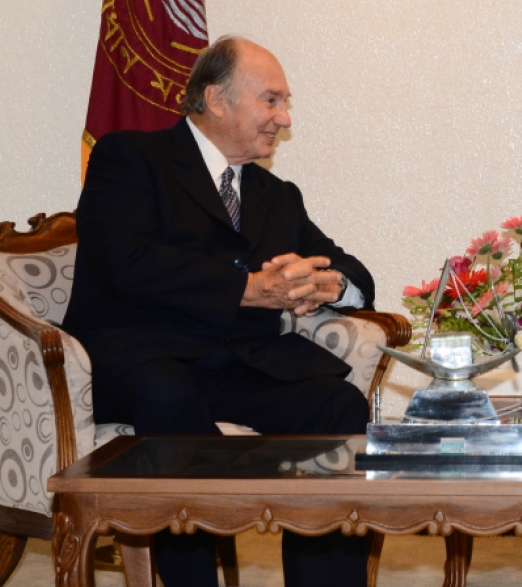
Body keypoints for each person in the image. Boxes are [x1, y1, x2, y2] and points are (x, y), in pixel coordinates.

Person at [63, 36, 375, 587]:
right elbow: (123, 261)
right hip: (142, 358)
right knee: (169, 394)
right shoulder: (130, 157)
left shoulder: (276, 195)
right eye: (271, 101)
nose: (283, 118)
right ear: (216, 98)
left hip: (237, 364)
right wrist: (247, 288)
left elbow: (355, 273)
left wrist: (328, 285)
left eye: (285, 103)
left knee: (336, 406)